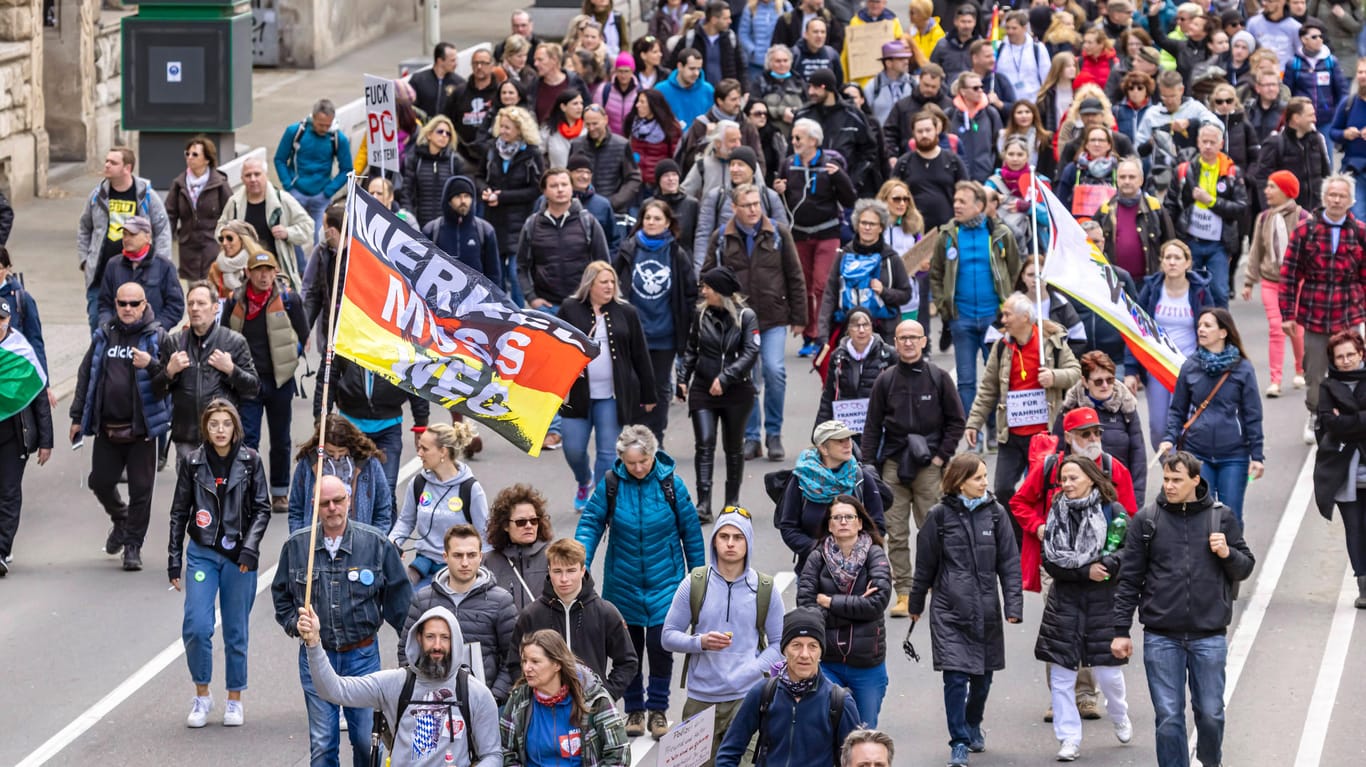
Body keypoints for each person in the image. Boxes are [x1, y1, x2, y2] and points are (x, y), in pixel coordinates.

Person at [1111, 451, 1254, 767]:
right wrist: (1120, 631)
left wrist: (1227, 552)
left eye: (1177, 480)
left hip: (1209, 635)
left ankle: (1209, 760)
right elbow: (1129, 579)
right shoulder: (1147, 521)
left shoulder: (1221, 518)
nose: (1170, 486)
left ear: (1195, 480)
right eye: (1166, 479)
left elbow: (1244, 568)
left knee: (1212, 713)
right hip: (1162, 637)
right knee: (1169, 718)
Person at [272, 474, 413, 767]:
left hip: (361, 656)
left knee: (365, 739)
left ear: (349, 500)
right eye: (325, 503)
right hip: (316, 655)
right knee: (323, 743)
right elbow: (281, 595)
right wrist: (293, 624)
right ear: (315, 507)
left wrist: (412, 657)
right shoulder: (298, 546)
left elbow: (401, 604)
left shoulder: (375, 544)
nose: (333, 508)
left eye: (338, 501)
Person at [576, 425, 705, 738]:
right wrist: (581, 561)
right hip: (623, 582)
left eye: (643, 461)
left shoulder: (671, 484)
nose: (637, 468)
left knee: (660, 646)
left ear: (652, 455)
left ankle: (658, 710)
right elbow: (591, 523)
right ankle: (634, 710)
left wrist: (699, 577)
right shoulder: (611, 485)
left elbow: (691, 533)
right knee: (627, 649)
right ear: (621, 459)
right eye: (631, 463)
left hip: (667, 581)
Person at [908, 453, 1023, 767]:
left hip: (986, 611)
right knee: (955, 678)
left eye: (985, 477)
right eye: (978, 478)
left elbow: (1010, 564)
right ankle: (958, 740)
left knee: (982, 679)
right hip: (948, 610)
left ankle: (973, 721)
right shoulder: (938, 516)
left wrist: (1013, 605)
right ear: (959, 482)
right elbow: (925, 566)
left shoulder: (997, 514)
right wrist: (916, 604)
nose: (985, 483)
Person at [168, 399, 271, 728]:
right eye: (214, 424)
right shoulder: (193, 462)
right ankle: (202, 694)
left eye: (226, 424)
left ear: (235, 427)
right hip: (202, 551)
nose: (220, 430)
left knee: (236, 629)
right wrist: (173, 558)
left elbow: (262, 508)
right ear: (205, 428)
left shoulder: (251, 461)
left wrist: (250, 548)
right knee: (197, 626)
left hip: (239, 557)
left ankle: (234, 698)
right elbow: (178, 511)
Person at [298, 603, 501, 767]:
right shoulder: (396, 683)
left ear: (455, 641)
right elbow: (334, 690)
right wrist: (314, 643)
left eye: (445, 638)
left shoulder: (476, 693)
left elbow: (493, 755)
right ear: (419, 638)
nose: (437, 645)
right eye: (430, 637)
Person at [662, 505, 784, 765]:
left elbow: (779, 644)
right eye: (724, 536)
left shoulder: (765, 588)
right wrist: (700, 642)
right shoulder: (694, 583)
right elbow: (668, 636)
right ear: (714, 541)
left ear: (748, 543)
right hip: (700, 700)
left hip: (747, 697)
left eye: (738, 537)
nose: (730, 544)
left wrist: (753, 668)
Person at [1035, 456, 1132, 761]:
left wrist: (1107, 564)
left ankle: (1119, 714)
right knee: (1063, 676)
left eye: (1074, 478)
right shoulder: (1056, 513)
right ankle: (1069, 738)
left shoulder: (1113, 511)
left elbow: (1130, 552)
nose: (1067, 484)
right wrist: (1083, 572)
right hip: (1065, 603)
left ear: (1091, 478)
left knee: (1108, 675)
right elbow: (1049, 560)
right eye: (1063, 479)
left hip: (1103, 602)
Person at [70, 282, 172, 571]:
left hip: (141, 430)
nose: (128, 309)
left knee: (141, 490)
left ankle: (132, 546)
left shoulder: (157, 337)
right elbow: (85, 376)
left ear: (144, 305)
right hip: (108, 428)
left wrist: (152, 364)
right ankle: (121, 519)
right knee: (100, 481)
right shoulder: (105, 335)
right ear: (115, 304)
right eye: (122, 303)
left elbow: (172, 381)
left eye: (134, 304)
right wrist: (78, 418)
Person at [702, 185, 806, 462]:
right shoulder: (722, 238)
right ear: (734, 208)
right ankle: (751, 438)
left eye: (756, 204)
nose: (752, 210)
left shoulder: (779, 234)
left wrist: (799, 317)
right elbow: (707, 278)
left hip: (773, 317)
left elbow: (795, 275)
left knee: (774, 371)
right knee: (746, 378)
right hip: (738, 321)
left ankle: (774, 434)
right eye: (746, 205)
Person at [965, 293, 1082, 510]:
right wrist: (974, 422)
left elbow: (1075, 371)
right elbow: (988, 388)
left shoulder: (1051, 343)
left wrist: (1054, 376)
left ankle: (1040, 535)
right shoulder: (1001, 347)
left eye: (1008, 315)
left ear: (1025, 317)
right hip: (1011, 434)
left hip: (1043, 435)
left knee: (1042, 490)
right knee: (1002, 489)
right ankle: (1016, 536)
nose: (1003, 320)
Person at [557, 263, 657, 507]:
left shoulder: (627, 312)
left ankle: (598, 500)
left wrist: (649, 392)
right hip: (576, 395)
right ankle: (584, 479)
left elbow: (640, 354)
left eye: (612, 282)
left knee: (607, 452)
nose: (610, 287)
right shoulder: (570, 309)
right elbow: (555, 348)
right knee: (573, 449)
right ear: (590, 284)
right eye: (604, 282)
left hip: (611, 396)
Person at [714, 606, 862, 767]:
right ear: (784, 649)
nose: (805, 654)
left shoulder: (839, 702)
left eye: (813, 646)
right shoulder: (763, 693)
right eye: (796, 645)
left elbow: (856, 761)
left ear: (821, 652)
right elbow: (729, 751)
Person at [1157, 309, 1265, 524]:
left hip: (1234, 455)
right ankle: (1205, 559)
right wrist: (1169, 437)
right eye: (1199, 325)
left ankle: (1231, 557)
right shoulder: (1190, 366)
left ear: (1223, 332)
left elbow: (1252, 414)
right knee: (1199, 516)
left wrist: (1257, 455)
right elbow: (1177, 409)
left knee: (1230, 516)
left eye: (1207, 325)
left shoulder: (1242, 368)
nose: (1201, 330)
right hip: (1198, 453)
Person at [221, 250, 308, 512]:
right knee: (248, 440)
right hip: (247, 382)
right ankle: (250, 491)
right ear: (247, 273)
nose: (264, 275)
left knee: (281, 439)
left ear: (275, 272)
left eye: (269, 270)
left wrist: (291, 360)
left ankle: (280, 492)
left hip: (280, 381)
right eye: (259, 270)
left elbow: (303, 334)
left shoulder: (288, 299)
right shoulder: (235, 301)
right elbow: (224, 335)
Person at [796, 494, 892, 726]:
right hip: (827, 661)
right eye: (837, 517)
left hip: (867, 663)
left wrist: (830, 602)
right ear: (829, 525)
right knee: (824, 728)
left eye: (849, 517)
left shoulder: (875, 555)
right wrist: (856, 609)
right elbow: (807, 608)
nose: (843, 522)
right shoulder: (816, 557)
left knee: (864, 731)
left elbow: (876, 604)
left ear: (860, 522)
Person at [930, 181, 1022, 419]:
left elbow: (1014, 270)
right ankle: (971, 430)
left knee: (995, 378)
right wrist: (944, 306)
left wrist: (1006, 306)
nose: (956, 206)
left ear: (979, 205)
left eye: (963, 201)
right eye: (955, 201)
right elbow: (936, 274)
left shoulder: (1000, 234)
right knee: (966, 380)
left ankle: (993, 429)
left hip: (994, 318)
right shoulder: (947, 235)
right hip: (962, 319)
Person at [399, 524, 519, 705]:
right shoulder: (423, 600)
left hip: (484, 703)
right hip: (433, 702)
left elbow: (512, 656)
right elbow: (406, 652)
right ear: (445, 557)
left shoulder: (501, 601)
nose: (464, 562)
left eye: (471, 555)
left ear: (481, 556)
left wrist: (494, 697)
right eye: (457, 555)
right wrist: (422, 691)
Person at [677, 266, 761, 520]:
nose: (703, 292)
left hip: (736, 389)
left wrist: (726, 378)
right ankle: (703, 504)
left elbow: (751, 352)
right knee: (704, 443)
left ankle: (731, 502)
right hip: (703, 387)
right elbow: (691, 348)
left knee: (733, 447)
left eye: (707, 288)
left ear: (721, 292)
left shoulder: (747, 317)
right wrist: (683, 378)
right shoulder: (700, 316)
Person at [511, 538, 639, 700]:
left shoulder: (605, 612)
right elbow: (515, 662)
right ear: (549, 571)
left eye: (571, 571)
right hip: (543, 706)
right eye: (557, 571)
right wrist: (531, 696)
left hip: (590, 709)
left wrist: (606, 694)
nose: (564, 579)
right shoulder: (532, 615)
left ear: (582, 570)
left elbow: (627, 661)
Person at [613, 199, 698, 441]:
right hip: (631, 334)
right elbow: (611, 279)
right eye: (648, 218)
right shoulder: (629, 248)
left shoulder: (677, 253)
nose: (652, 222)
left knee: (659, 387)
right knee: (633, 385)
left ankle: (654, 438)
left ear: (668, 223)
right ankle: (633, 438)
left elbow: (690, 292)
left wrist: (689, 328)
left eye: (657, 218)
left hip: (665, 333)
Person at [154, 282, 260, 470]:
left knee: (221, 497)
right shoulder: (175, 342)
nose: (195, 308)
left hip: (222, 438)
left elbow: (253, 388)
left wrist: (231, 370)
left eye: (201, 303)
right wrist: (169, 372)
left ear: (215, 307)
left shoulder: (233, 341)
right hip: (186, 438)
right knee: (191, 497)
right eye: (191, 303)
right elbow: (156, 391)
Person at [775, 117, 856, 358]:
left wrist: (839, 177)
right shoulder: (789, 164)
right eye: (793, 138)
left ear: (814, 140)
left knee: (822, 284)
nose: (794, 142)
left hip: (827, 232)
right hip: (799, 233)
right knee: (804, 286)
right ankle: (809, 336)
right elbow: (785, 201)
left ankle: (823, 334)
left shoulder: (831, 163)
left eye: (798, 137)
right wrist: (780, 190)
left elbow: (849, 199)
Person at [1126, 239, 1215, 448]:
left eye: (1177, 258)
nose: (1172, 262)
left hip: (1189, 366)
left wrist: (1212, 361)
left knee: (1186, 425)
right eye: (1168, 258)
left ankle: (1179, 475)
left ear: (1187, 263)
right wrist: (1131, 369)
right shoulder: (1151, 290)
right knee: (1159, 427)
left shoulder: (1199, 291)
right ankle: (1170, 467)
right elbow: (1135, 329)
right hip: (1157, 366)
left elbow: (1215, 325)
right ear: (1161, 262)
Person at [500, 629, 631, 765]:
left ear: (557, 664)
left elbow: (619, 754)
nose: (527, 668)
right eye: (524, 661)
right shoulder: (518, 700)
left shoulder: (594, 699)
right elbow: (506, 753)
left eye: (535, 661)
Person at [77, 147, 172, 332]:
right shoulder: (97, 195)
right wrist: (85, 260)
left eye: (113, 162)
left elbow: (162, 230)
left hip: (137, 276)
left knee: (137, 330)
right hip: (101, 276)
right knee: (99, 329)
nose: (107, 165)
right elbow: (84, 227)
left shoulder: (146, 195)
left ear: (127, 168)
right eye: (106, 161)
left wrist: (160, 263)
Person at [777, 419, 887, 573]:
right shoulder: (801, 480)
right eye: (840, 441)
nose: (848, 444)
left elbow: (878, 526)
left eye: (848, 438)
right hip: (812, 571)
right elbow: (788, 527)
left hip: (856, 572)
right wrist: (818, 551)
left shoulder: (861, 477)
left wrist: (852, 552)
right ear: (823, 448)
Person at [391, 422, 488, 584]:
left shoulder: (470, 489)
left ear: (443, 451)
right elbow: (405, 521)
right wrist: (392, 543)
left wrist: (481, 578)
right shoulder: (418, 483)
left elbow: (484, 538)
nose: (419, 454)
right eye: (419, 448)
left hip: (458, 572)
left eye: (425, 449)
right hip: (422, 566)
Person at [1164, 122, 1247, 308]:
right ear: (1198, 143)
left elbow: (1241, 208)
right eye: (1204, 141)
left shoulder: (1231, 172)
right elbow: (1171, 205)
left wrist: (1211, 201)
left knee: (1219, 291)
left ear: (1221, 144)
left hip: (1218, 243)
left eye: (1212, 142)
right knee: (1187, 290)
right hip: (1191, 240)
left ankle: (1222, 332)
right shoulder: (1184, 170)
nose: (1208, 146)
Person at [1243, 171, 1309, 398]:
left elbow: (1312, 253)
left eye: (1272, 187)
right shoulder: (1263, 218)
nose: (1266, 191)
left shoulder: (1303, 217)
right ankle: (1275, 380)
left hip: (1297, 283)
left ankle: (1300, 368)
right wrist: (1249, 281)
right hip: (1271, 282)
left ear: (1286, 191)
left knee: (1297, 329)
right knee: (1276, 328)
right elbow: (1255, 252)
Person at [1312, 329, 1366, 608]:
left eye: (1350, 355)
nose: (1346, 361)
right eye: (1340, 357)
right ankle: (1364, 584)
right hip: (1345, 471)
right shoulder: (1327, 386)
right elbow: (1327, 423)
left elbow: (1338, 424)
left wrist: (1346, 421)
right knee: (1355, 530)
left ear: (1361, 354)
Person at [0, 296, 52, 577]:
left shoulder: (21, 352)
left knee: (8, 492)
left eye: (1, 320)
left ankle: (2, 549)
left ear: (8, 321)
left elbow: (39, 396)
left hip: (13, 436)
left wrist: (46, 441)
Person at [516, 168, 612, 314]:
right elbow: (521, 266)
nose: (560, 189)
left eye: (564, 184)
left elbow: (603, 263)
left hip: (583, 305)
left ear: (572, 188)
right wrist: (532, 298)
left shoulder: (587, 222)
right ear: (544, 191)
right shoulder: (532, 224)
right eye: (554, 186)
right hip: (546, 307)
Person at [815, 199, 910, 345]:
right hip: (848, 333)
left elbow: (905, 294)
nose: (867, 228)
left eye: (872, 224)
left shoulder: (891, 258)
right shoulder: (843, 255)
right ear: (856, 225)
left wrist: (884, 291)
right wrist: (823, 334)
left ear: (881, 227)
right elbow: (830, 295)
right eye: (863, 223)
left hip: (884, 333)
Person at [1057, 353, 1147, 504]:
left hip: (1118, 494)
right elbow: (1058, 453)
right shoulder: (1070, 408)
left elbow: (1138, 458)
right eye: (1098, 381)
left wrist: (1136, 501)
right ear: (1085, 381)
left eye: (1110, 379)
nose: (1105, 385)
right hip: (1078, 496)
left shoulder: (1127, 407)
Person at [216, 157, 311, 291]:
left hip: (276, 274)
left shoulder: (282, 200)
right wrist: (229, 237)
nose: (253, 179)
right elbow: (220, 229)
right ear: (242, 179)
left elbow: (308, 226)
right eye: (248, 175)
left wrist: (288, 233)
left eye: (257, 174)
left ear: (265, 175)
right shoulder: (234, 203)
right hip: (243, 275)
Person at [287, 414, 392, 534]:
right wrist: (299, 539)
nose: (336, 457)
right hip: (316, 540)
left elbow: (383, 509)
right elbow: (296, 508)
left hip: (359, 542)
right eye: (330, 452)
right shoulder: (309, 462)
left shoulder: (368, 463)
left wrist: (376, 541)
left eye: (341, 451)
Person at [483, 106, 545, 291]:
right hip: (494, 217)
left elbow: (536, 189)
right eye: (501, 126)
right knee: (496, 272)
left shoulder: (532, 154)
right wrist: (484, 191)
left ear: (520, 129)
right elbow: (479, 176)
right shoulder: (492, 150)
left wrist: (503, 197)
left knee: (515, 273)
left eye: (507, 127)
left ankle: (520, 315)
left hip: (520, 219)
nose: (502, 131)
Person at [273, 99, 352, 245]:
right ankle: (299, 267)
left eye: (328, 125)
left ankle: (319, 266)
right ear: (313, 117)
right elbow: (279, 159)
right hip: (296, 191)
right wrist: (288, 185)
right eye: (321, 125)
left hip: (321, 195)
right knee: (292, 235)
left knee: (322, 238)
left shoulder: (337, 138)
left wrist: (329, 191)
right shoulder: (295, 132)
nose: (324, 129)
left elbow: (347, 169)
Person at [95, 214, 185, 330]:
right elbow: (104, 303)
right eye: (124, 234)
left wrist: (157, 328)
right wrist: (106, 326)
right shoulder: (113, 265)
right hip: (117, 334)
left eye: (132, 234)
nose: (126, 239)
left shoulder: (164, 266)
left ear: (148, 237)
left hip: (151, 336)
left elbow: (175, 306)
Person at [814, 307, 896, 433]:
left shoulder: (888, 354)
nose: (861, 330)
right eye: (856, 326)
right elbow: (829, 394)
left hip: (880, 426)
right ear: (848, 330)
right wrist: (818, 431)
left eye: (866, 325)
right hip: (847, 426)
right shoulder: (838, 357)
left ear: (872, 327)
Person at [166, 135, 231, 281]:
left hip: (213, 244)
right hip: (188, 246)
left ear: (207, 159)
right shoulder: (179, 184)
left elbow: (231, 214)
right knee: (193, 289)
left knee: (211, 288)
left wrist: (227, 241)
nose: (189, 157)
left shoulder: (219, 183)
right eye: (187, 153)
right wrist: (166, 240)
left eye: (195, 154)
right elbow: (170, 214)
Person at [1096, 159, 1172, 282]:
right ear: (1117, 180)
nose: (1127, 181)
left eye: (1132, 177)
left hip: (1148, 281)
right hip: (1115, 282)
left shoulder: (1154, 207)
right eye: (1122, 177)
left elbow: (1170, 243)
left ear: (1141, 180)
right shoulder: (1105, 209)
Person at [891, 112, 968, 233]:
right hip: (912, 232)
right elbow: (891, 196)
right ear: (913, 133)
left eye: (928, 130)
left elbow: (966, 194)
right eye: (920, 131)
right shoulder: (903, 163)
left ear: (936, 130)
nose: (924, 135)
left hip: (948, 230)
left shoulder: (953, 161)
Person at [1252, 97, 1331, 212]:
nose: (1314, 119)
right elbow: (1262, 179)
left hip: (1315, 213)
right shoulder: (1274, 143)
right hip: (1286, 213)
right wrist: (1269, 211)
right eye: (1310, 115)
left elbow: (1326, 175)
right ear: (1296, 118)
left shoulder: (1317, 140)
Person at [422, 175, 502, 288]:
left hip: (476, 301)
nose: (463, 201)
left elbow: (494, 274)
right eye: (458, 196)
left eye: (467, 196)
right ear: (448, 200)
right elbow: (423, 272)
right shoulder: (431, 230)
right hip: (441, 300)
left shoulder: (485, 231)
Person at [400, 115, 468, 229]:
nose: (444, 135)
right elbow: (406, 192)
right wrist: (410, 219)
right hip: (419, 225)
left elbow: (462, 194)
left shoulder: (455, 161)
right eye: (440, 132)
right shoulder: (416, 159)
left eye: (448, 133)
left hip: (447, 226)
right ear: (429, 134)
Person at [572, 104, 643, 213]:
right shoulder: (577, 144)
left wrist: (614, 202)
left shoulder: (621, 144)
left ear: (605, 120)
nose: (591, 128)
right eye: (588, 124)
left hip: (613, 209)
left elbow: (633, 178)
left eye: (595, 124)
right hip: (582, 208)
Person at [627, 90, 682, 190]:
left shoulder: (671, 127)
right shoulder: (633, 123)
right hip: (636, 180)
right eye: (638, 101)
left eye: (642, 102)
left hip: (657, 182)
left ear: (653, 105)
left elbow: (675, 157)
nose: (637, 105)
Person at [656, 48, 716, 128]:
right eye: (692, 68)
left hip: (701, 139)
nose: (696, 73)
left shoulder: (708, 90)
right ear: (680, 66)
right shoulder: (661, 90)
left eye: (699, 69)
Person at [864, 41, 915, 126]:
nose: (906, 62)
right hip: (882, 136)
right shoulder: (873, 87)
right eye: (900, 59)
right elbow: (865, 115)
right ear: (888, 63)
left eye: (906, 58)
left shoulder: (913, 84)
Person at [410, 42, 465, 119]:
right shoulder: (418, 80)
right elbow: (410, 108)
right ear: (440, 61)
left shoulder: (459, 83)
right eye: (452, 60)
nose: (456, 64)